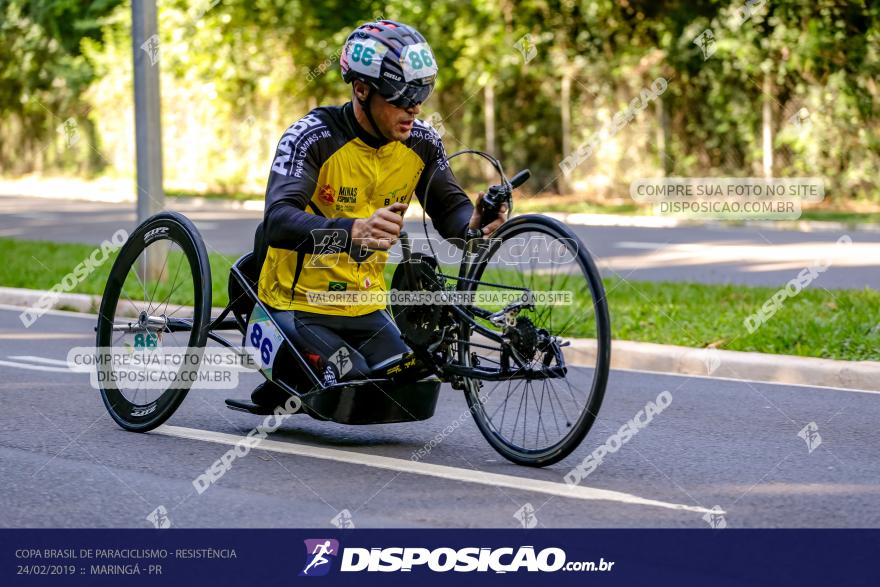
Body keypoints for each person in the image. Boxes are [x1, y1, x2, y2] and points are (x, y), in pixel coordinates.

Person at [251, 20, 507, 409]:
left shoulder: (421, 142)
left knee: (411, 388)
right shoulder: (312, 137)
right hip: (297, 305)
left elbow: (451, 213)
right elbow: (277, 221)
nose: (414, 108)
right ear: (361, 90)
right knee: (347, 386)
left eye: (420, 95)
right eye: (401, 98)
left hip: (367, 309)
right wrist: (352, 231)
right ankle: (286, 373)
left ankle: (299, 375)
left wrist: (476, 224)